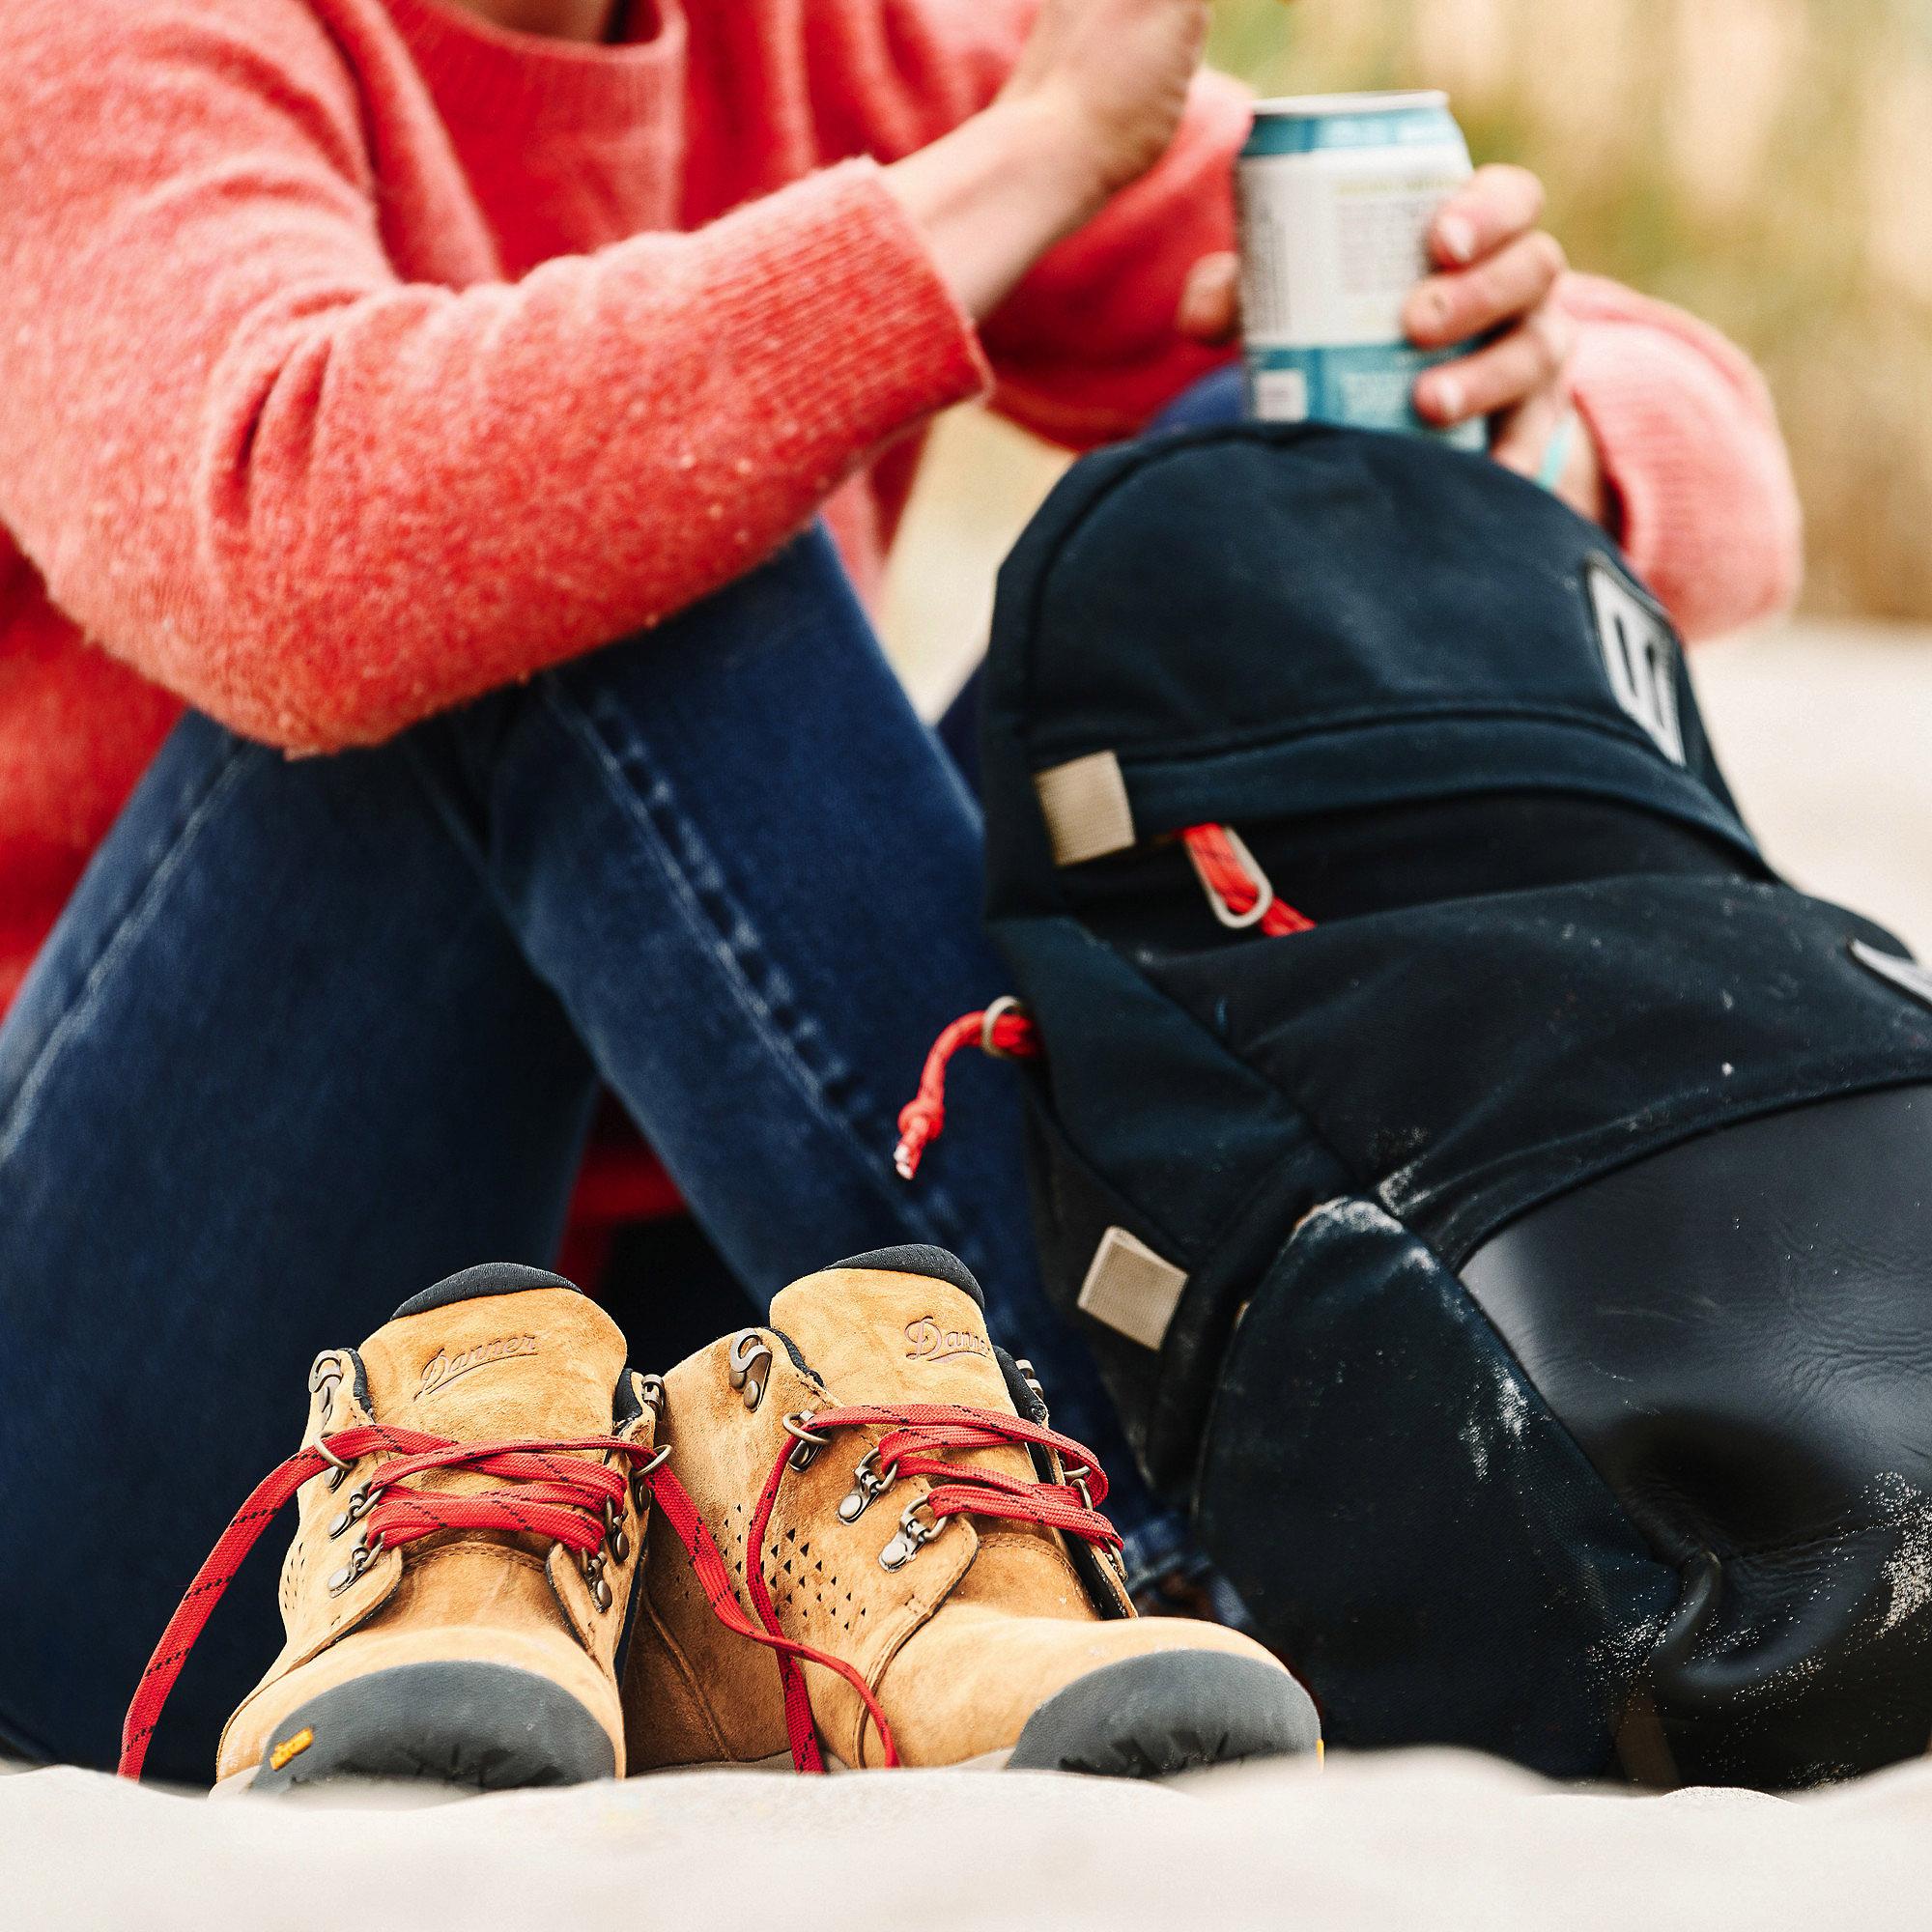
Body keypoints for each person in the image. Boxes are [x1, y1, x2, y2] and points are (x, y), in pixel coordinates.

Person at [0, 0, 1801, 1781]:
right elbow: (294, 531)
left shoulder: (837, 42)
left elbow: (1725, 467)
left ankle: (1377, 1399)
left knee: (1262, 455)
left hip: (720, 1454)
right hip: (153, 1428)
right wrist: (1025, 161)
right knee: (561, 511)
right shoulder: (109, 42)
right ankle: (1171, 1524)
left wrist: (1519, 406)